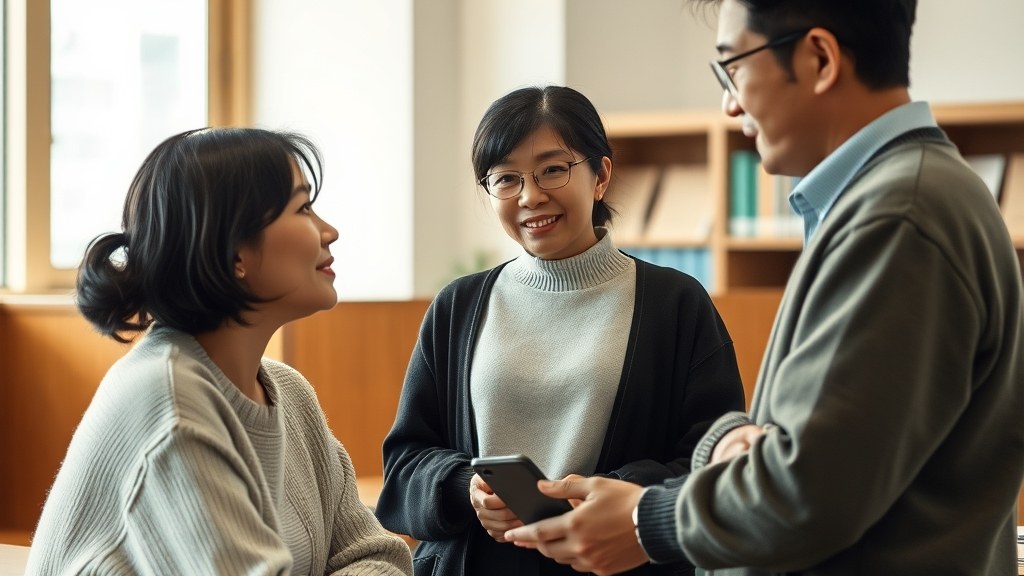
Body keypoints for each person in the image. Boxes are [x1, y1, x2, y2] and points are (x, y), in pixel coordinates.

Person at [504, 1, 1024, 575]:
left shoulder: (898, 218)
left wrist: (643, 520)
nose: (730, 104)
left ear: (820, 58)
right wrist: (736, 441)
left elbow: (806, 494)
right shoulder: (904, 198)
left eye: (735, 67)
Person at [373, 84, 746, 576]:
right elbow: (404, 468)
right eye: (505, 179)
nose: (530, 196)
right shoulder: (458, 307)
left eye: (553, 169)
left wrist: (618, 493)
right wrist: (465, 487)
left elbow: (714, 462)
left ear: (600, 175)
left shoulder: (676, 304)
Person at [25, 128, 414, 575]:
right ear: (234, 253)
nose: (330, 231)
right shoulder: (169, 403)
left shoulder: (289, 392)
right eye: (303, 207)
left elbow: (380, 555)